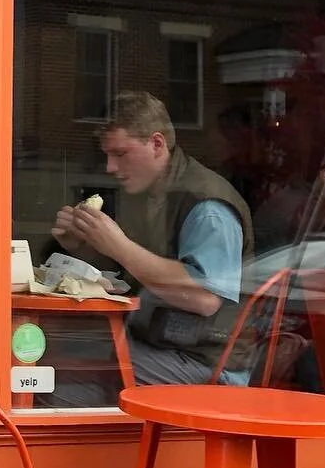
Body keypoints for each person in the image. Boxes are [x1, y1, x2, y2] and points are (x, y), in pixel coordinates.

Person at [47, 91, 254, 405]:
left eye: (120, 154)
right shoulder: (146, 192)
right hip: (156, 343)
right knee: (50, 364)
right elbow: (131, 274)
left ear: (157, 144)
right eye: (106, 155)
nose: (110, 167)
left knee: (50, 376)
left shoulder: (207, 206)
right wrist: (82, 245)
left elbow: (205, 297)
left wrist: (119, 246)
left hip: (207, 364)